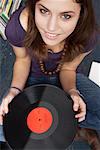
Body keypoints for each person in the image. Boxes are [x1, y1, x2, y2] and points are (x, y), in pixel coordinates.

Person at [0, 0, 100, 149]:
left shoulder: (88, 36)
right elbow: (22, 60)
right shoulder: (17, 28)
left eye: (66, 16)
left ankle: (73, 128)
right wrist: (15, 90)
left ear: (81, 14)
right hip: (30, 78)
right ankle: (70, 128)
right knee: (4, 131)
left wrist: (72, 92)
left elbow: (68, 69)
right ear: (34, 6)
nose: (51, 27)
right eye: (44, 11)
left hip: (68, 77)